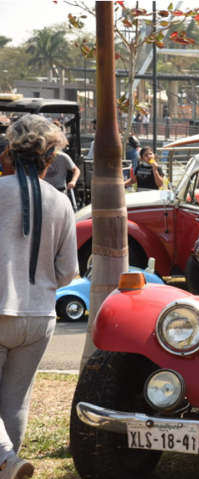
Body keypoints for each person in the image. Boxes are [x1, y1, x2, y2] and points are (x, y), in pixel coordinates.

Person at [0, 114, 78, 479]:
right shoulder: (62, 204)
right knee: (15, 402)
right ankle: (7, 465)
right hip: (41, 315)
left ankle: (5, 459)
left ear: (9, 153)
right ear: (50, 160)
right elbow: (67, 273)